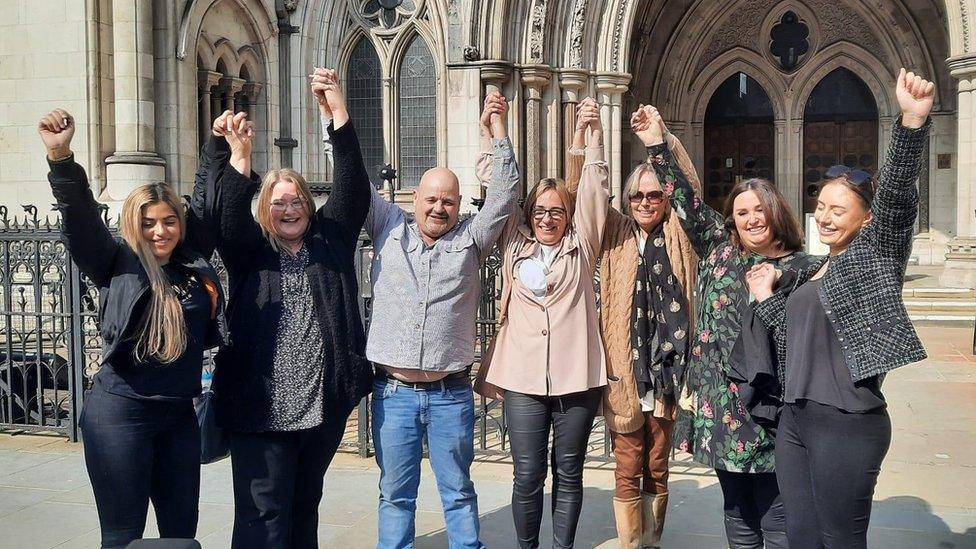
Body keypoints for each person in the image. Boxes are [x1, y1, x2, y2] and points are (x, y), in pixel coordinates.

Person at [747, 68, 934, 549]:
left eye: (838, 208)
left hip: (848, 422)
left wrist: (910, 124)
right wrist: (769, 301)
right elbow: (795, 346)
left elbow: (895, 200)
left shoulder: (875, 257)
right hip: (795, 419)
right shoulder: (812, 272)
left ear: (866, 218)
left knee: (840, 540)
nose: (824, 216)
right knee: (802, 537)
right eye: (821, 206)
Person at [38, 109, 228, 548]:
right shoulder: (115, 263)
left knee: (181, 535)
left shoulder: (190, 261)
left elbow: (204, 200)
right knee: (123, 536)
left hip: (180, 417)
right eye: (148, 223)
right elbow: (81, 219)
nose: (160, 231)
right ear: (133, 226)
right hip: (121, 416)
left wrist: (216, 144)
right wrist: (61, 158)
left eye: (168, 220)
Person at [634, 104, 818, 548]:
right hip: (721, 406)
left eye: (759, 209)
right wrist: (658, 144)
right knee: (736, 511)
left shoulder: (803, 268)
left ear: (776, 212)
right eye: (741, 212)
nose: (752, 218)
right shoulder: (719, 248)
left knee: (776, 515)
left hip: (770, 408)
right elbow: (684, 200)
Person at [205, 69, 373, 548]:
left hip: (321, 409)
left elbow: (352, 191)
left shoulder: (330, 239)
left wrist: (337, 114)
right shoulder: (251, 251)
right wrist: (240, 157)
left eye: (297, 199)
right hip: (260, 409)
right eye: (278, 202)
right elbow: (227, 221)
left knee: (304, 507)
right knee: (263, 515)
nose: (289, 208)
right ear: (266, 211)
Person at [361, 90, 518, 548]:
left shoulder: (471, 241)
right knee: (395, 495)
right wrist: (337, 116)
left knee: (458, 493)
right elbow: (354, 181)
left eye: (448, 201)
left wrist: (498, 131)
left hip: (450, 394)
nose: (438, 208)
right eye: (431, 198)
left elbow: (506, 194)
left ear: (457, 204)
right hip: (394, 394)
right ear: (416, 198)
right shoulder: (388, 227)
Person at [474, 97, 608, 549]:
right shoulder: (515, 243)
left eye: (556, 211)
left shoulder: (582, 244)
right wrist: (497, 129)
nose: (547, 218)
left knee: (569, 472)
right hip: (522, 378)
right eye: (540, 211)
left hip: (576, 379)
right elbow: (498, 189)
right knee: (527, 474)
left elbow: (592, 190)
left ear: (568, 217)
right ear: (529, 215)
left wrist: (591, 137)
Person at [564, 111, 701, 548]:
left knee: (657, 462)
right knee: (627, 462)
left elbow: (690, 189)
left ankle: (651, 540)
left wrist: (660, 141)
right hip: (625, 370)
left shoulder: (679, 231)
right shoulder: (615, 232)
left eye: (653, 194)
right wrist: (588, 139)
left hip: (666, 369)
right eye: (637, 195)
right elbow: (578, 198)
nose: (645, 201)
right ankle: (630, 542)